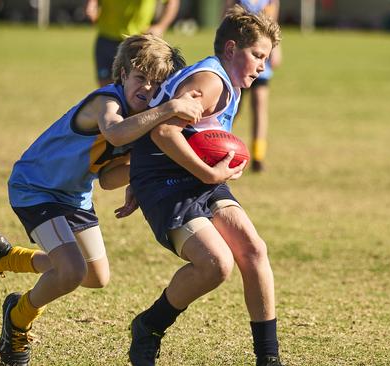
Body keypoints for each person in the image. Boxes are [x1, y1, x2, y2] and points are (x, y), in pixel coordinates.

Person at [0, 34, 203, 366]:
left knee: (95, 276)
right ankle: (17, 321)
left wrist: (138, 175)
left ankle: (3, 257)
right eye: (140, 77)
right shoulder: (108, 103)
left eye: (157, 82)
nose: (147, 87)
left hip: (74, 196)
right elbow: (115, 133)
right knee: (71, 271)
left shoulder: (144, 122)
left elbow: (105, 178)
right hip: (37, 188)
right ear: (122, 75)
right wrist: (171, 107)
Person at [117, 5, 283, 366]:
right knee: (215, 264)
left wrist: (215, 169)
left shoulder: (232, 83)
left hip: (195, 173)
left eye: (265, 58)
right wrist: (208, 174)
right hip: (164, 178)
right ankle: (149, 326)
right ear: (230, 49)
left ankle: (269, 358)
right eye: (257, 55)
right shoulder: (211, 82)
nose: (261, 65)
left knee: (253, 250)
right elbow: (163, 131)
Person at [225, 0, 281, 173]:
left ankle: (258, 156)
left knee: (259, 105)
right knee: (232, 106)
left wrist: (277, 49)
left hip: (260, 58)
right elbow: (226, 20)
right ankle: (218, 145)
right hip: (240, 60)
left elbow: (273, 22)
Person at [85, 0, 180, 86]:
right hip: (107, 37)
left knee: (138, 85)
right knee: (107, 87)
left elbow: (172, 2)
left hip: (138, 42)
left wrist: (161, 26)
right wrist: (92, 4)